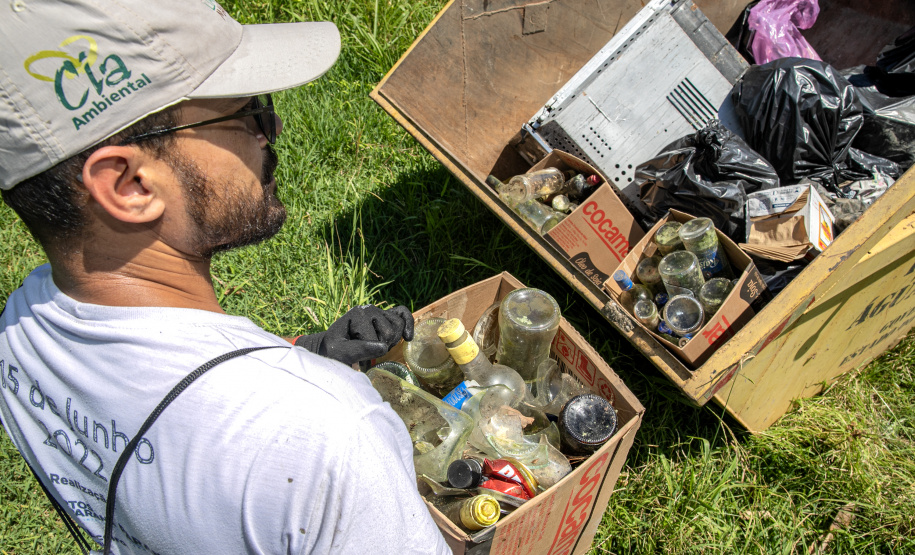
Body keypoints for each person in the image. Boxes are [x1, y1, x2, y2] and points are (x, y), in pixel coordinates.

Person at [0, 1, 451, 554]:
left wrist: (300, 353)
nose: (272, 128)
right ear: (129, 186)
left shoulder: (22, 330)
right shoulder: (333, 439)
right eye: (246, 115)